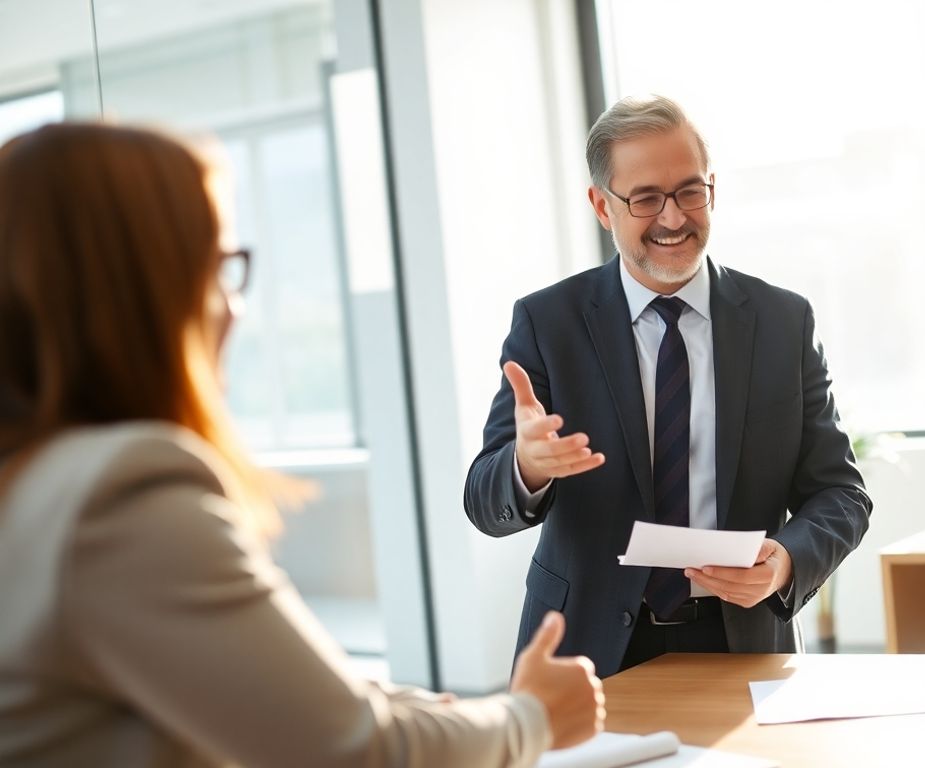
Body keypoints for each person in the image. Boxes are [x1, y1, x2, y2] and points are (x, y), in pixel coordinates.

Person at [0, 123, 603, 767]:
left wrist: (428, 712)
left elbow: (263, 692)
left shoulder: (37, 482)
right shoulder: (122, 501)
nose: (234, 309)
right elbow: (357, 753)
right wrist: (531, 719)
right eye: (218, 268)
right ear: (141, 291)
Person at [465, 95, 872, 676]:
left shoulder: (783, 322)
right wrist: (527, 466)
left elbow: (841, 493)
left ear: (712, 189)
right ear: (602, 207)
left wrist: (784, 562)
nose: (674, 218)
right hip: (585, 650)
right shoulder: (548, 323)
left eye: (688, 191)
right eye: (646, 198)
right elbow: (484, 501)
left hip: (744, 639)